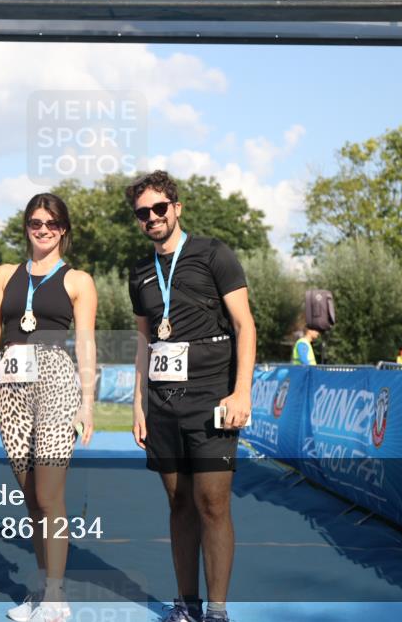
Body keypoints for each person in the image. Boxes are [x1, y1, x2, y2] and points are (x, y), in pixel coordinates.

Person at [126, 171, 256, 622]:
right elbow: (145, 342)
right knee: (178, 503)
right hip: (162, 404)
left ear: (176, 208)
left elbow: (245, 326)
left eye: (159, 208)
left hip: (212, 399)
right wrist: (139, 403)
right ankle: (186, 603)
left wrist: (242, 392)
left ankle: (217, 610)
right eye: (143, 212)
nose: (152, 217)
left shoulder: (213, 253)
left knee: (212, 503)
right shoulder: (140, 271)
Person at [0, 193, 96, 622]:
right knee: (30, 497)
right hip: (11, 385)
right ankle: (44, 588)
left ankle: (56, 595)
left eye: (51, 223)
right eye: (34, 222)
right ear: (26, 226)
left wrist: (87, 403)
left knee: (49, 493)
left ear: (63, 229)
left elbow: (85, 343)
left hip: (56, 381)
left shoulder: (77, 280)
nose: (42, 229)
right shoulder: (4, 274)